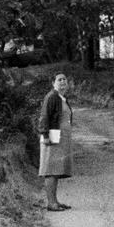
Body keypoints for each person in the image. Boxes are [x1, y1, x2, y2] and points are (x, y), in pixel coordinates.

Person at [37, 73, 75, 211]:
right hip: (52, 138)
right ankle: (51, 203)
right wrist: (45, 134)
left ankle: (55, 201)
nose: (63, 81)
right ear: (53, 83)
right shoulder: (52, 97)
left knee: (56, 169)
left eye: (65, 79)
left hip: (60, 138)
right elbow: (44, 116)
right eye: (59, 79)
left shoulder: (61, 98)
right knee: (51, 169)